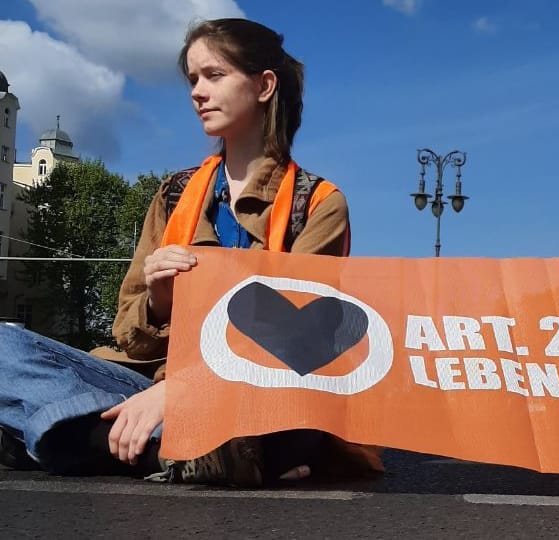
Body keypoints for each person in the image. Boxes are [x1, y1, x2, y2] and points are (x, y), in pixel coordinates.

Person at [0, 18, 382, 487]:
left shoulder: (319, 203)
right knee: (5, 345)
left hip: (256, 399)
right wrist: (159, 298)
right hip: (153, 389)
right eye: (193, 79)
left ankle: (66, 439)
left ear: (264, 85)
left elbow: (296, 350)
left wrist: (182, 393)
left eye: (215, 75)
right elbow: (128, 334)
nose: (198, 92)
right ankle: (166, 449)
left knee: (286, 428)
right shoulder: (174, 193)